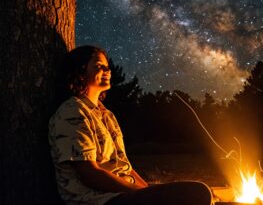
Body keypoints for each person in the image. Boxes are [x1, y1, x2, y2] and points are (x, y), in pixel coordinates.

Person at [49, 45, 212, 205]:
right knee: (196, 193)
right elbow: (90, 173)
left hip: (122, 193)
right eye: (99, 66)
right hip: (99, 199)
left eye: (107, 66)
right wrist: (141, 194)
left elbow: (124, 166)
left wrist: (146, 189)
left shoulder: (106, 115)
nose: (107, 71)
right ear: (81, 72)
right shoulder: (72, 112)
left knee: (194, 191)